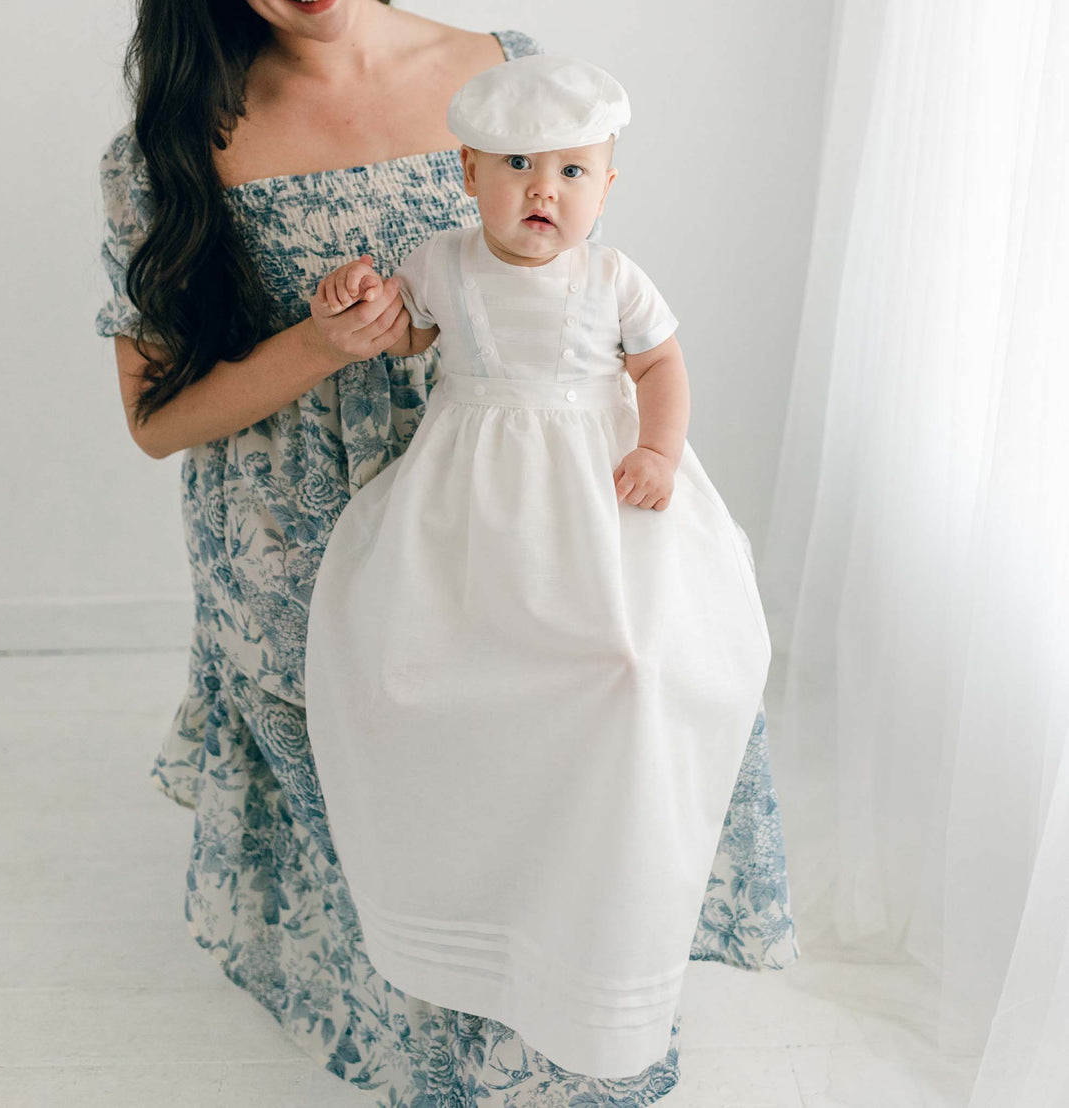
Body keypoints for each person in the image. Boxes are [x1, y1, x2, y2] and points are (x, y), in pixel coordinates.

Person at [94, 1, 800, 1102]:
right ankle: (426, 1016)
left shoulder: (514, 77)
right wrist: (323, 339)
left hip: (535, 501)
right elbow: (155, 424)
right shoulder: (178, 139)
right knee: (395, 761)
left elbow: (604, 308)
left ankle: (584, 1004)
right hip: (305, 518)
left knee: (620, 686)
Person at [301, 54, 784, 1080]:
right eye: (517, 165)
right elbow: (403, 329)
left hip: (593, 488)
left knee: (629, 656)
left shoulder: (613, 278)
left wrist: (656, 449)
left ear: (606, 187)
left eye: (571, 171)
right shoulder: (442, 261)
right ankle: (469, 904)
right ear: (468, 172)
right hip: (469, 490)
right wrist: (357, 295)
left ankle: (601, 908)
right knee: (416, 656)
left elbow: (658, 366)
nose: (541, 191)